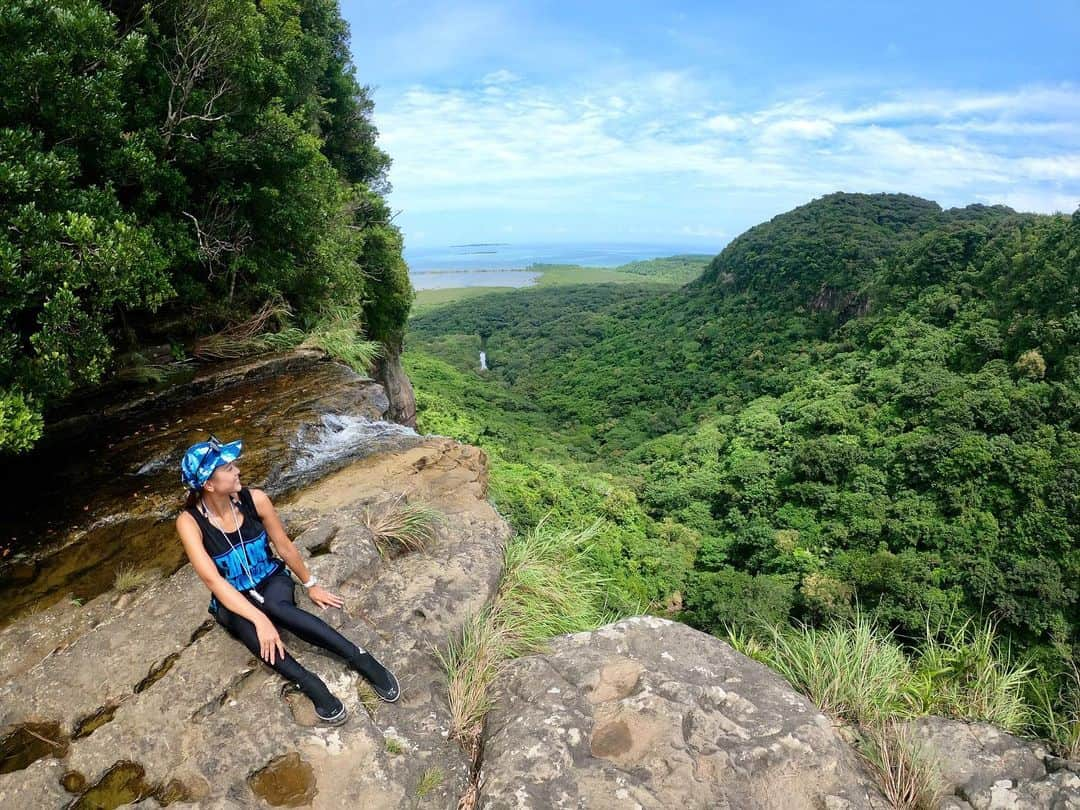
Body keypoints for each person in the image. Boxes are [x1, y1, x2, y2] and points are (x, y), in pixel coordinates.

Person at [175, 434, 400, 725]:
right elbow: (215, 583)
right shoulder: (189, 522)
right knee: (248, 628)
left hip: (270, 578)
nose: (237, 471)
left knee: (279, 608)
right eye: (228, 469)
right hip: (232, 595)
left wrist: (311, 584)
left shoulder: (255, 500)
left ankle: (358, 656)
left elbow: (283, 545)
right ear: (209, 484)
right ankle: (309, 683)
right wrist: (259, 619)